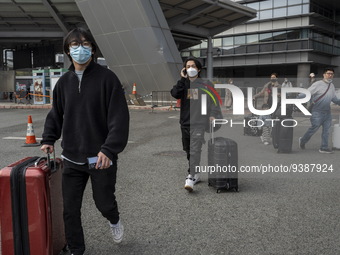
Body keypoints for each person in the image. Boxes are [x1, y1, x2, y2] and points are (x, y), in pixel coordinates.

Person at [40, 28, 129, 255]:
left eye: (85, 44)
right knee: (70, 210)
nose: (80, 49)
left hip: (100, 158)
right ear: (68, 51)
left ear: (92, 48)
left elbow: (119, 118)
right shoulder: (63, 83)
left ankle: (114, 218)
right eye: (75, 45)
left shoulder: (107, 79)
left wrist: (109, 150)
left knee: (104, 203)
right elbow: (56, 114)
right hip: (71, 157)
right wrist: (49, 138)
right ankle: (76, 250)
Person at [171, 57, 221, 192]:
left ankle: (191, 176)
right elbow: (175, 94)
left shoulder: (206, 84)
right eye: (188, 66)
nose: (190, 68)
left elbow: (214, 101)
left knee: (194, 149)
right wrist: (182, 79)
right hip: (185, 123)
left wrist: (213, 115)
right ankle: (196, 173)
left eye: (193, 66)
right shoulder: (183, 84)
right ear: (184, 69)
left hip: (199, 123)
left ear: (198, 69)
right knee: (188, 150)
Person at [299, 68, 340, 153]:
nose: (330, 75)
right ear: (324, 74)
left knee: (327, 131)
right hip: (317, 112)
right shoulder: (318, 84)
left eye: (332, 74)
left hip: (327, 112)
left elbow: (334, 99)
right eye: (328, 73)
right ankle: (302, 141)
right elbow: (306, 93)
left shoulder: (331, 86)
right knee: (313, 129)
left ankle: (324, 147)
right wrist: (295, 99)